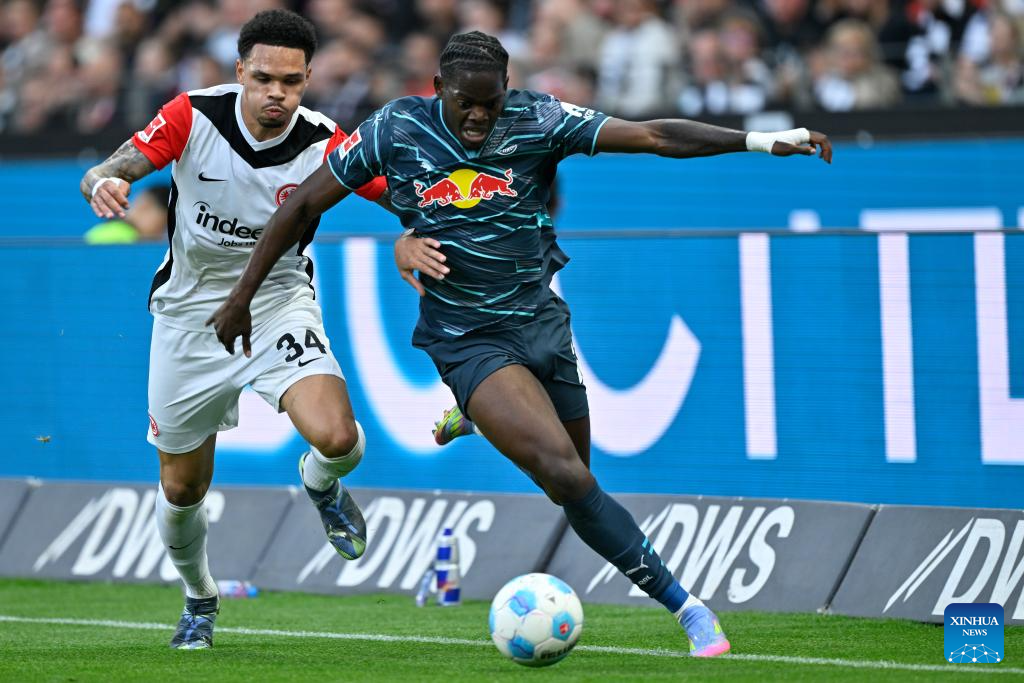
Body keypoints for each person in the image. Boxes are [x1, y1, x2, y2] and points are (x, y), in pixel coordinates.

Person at [208, 30, 832, 658]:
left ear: (508, 91)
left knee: (574, 482)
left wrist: (759, 141)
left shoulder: (539, 119)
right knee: (566, 475)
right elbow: (301, 207)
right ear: (438, 89)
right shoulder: (395, 128)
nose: (479, 117)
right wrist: (242, 296)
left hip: (541, 325)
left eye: (491, 103)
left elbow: (654, 135)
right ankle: (688, 608)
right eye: (465, 104)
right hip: (466, 337)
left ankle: (481, 417)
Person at [78, 9, 388, 650]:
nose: (278, 93)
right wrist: (101, 182)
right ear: (241, 70)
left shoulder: (325, 142)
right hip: (189, 319)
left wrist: (422, 229)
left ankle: (320, 483)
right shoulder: (193, 116)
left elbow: (404, 194)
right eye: (265, 78)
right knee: (182, 487)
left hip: (276, 306)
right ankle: (200, 596)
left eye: (292, 82)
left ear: (307, 80)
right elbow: (111, 168)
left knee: (339, 438)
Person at [83, 184, 169, 244]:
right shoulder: (121, 239)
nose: (161, 235)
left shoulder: (107, 230)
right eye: (162, 226)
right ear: (146, 206)